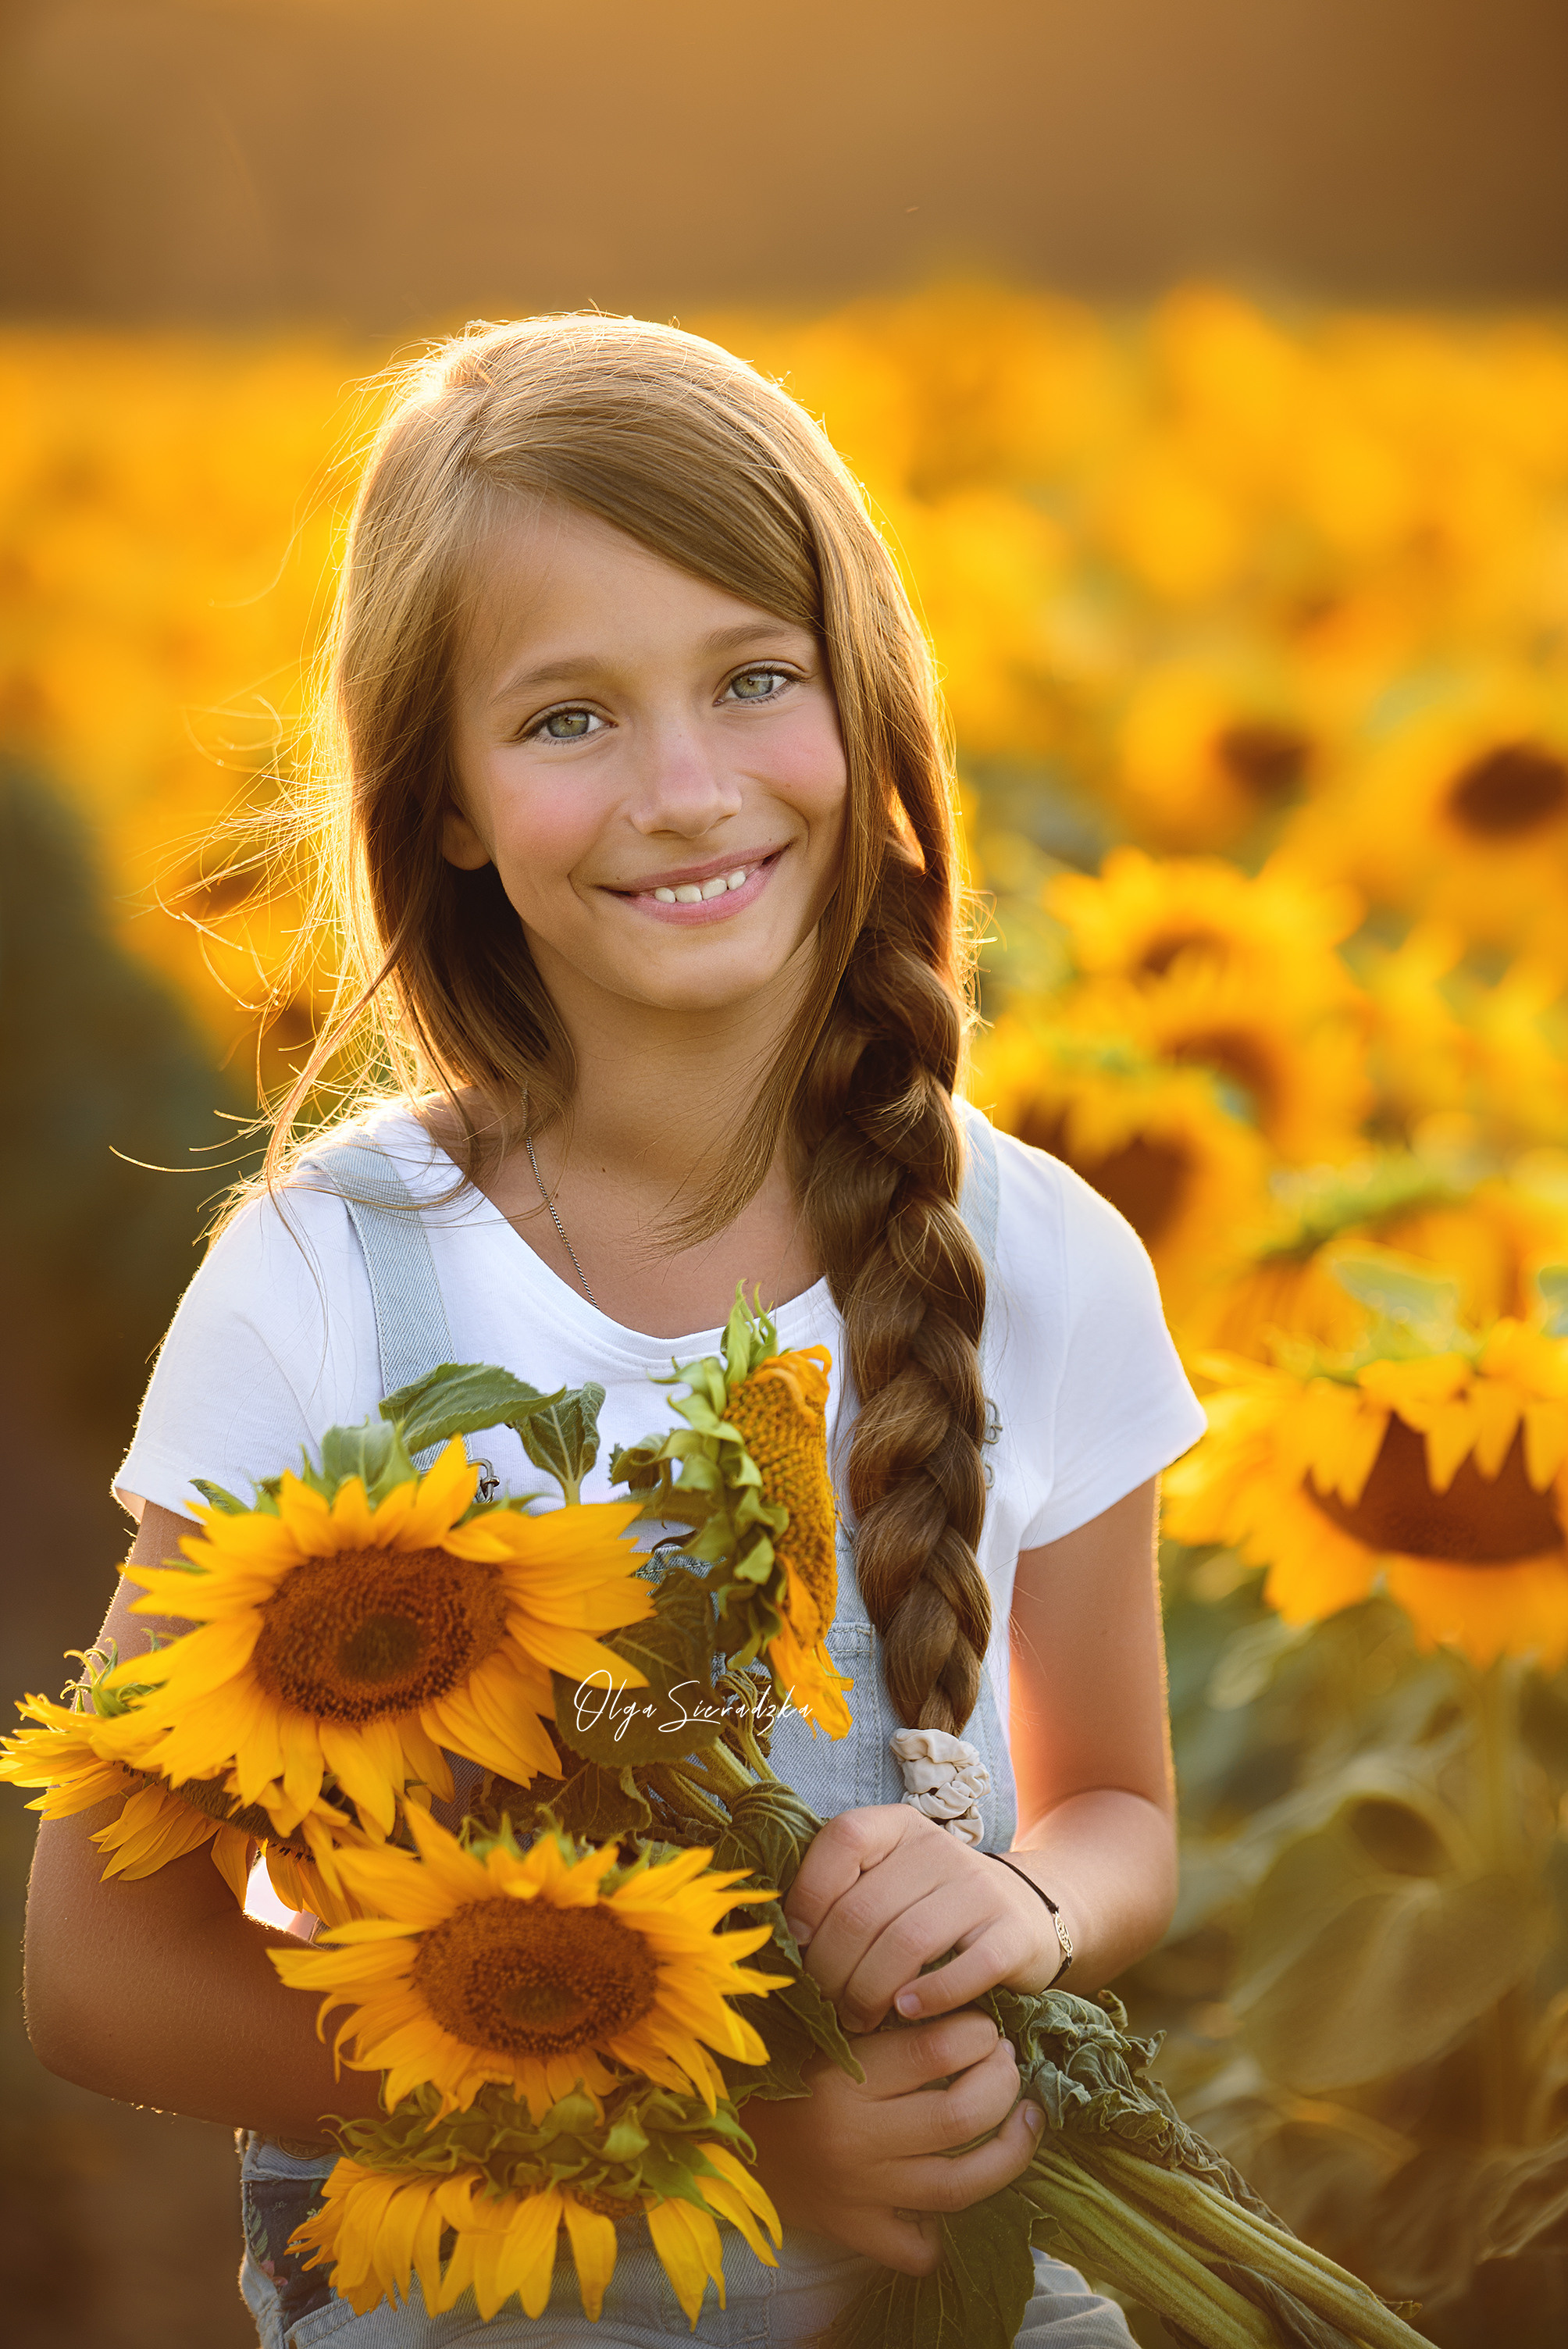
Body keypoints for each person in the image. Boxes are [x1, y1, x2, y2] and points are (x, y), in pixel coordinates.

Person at [23, 315, 1204, 2347]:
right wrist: (689, 2126)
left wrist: (1024, 1904)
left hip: (980, 2297)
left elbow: (1117, 1806)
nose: (683, 790)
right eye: (568, 719)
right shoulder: (337, 1289)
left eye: (754, 678)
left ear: (865, 705)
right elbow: (101, 1969)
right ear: (452, 802)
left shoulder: (1047, 1257)